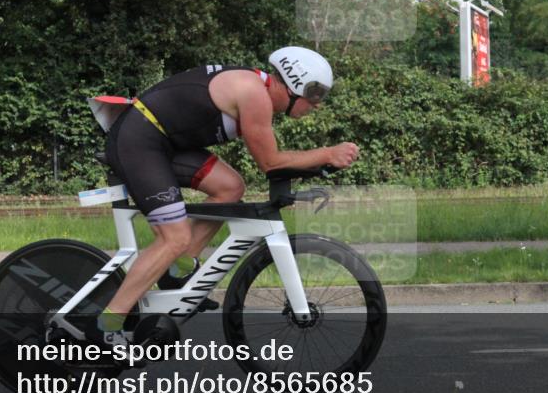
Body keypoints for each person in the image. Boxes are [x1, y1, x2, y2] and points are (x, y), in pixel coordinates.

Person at [97, 46, 359, 345]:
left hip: (162, 141)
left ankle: (178, 275)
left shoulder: (256, 87)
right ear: (295, 85)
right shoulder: (254, 94)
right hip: (139, 140)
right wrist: (327, 153)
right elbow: (270, 163)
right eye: (314, 95)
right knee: (175, 237)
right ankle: (108, 326)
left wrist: (319, 160)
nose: (316, 105)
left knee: (230, 187)